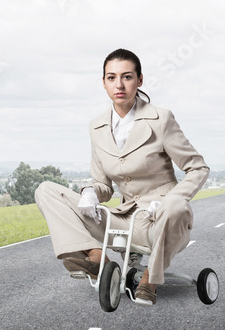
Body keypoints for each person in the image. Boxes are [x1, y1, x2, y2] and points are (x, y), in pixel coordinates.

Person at [35, 48, 209, 306]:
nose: (119, 85)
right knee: (46, 190)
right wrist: (90, 193)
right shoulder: (97, 127)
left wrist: (171, 200)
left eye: (127, 77)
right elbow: (103, 185)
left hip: (160, 220)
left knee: (176, 205)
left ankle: (150, 279)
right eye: (111, 77)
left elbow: (198, 168)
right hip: (124, 218)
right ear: (103, 82)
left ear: (139, 80)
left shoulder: (161, 119)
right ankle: (97, 259)